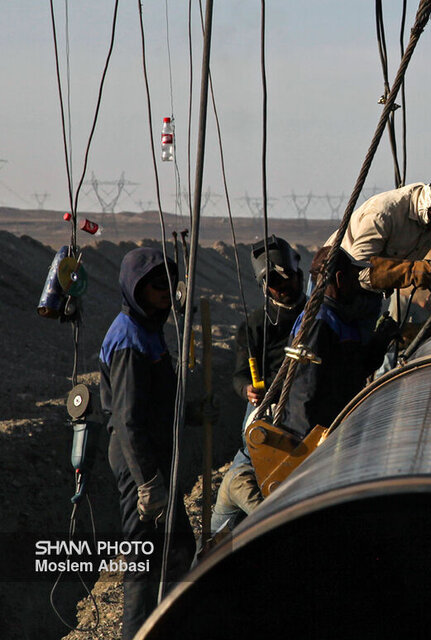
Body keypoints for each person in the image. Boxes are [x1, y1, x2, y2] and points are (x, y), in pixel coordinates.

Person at [99, 247, 194, 639]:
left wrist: (193, 410)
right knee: (144, 559)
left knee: (178, 549)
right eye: (157, 286)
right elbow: (128, 419)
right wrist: (147, 482)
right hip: (138, 460)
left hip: (155, 456)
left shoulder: (149, 329)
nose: (165, 293)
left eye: (168, 284)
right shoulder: (129, 339)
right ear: (136, 289)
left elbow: (158, 398)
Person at [213, 236, 305, 532]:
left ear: (298, 275)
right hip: (265, 412)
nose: (282, 287)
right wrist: (247, 389)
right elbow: (240, 375)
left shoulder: (315, 317)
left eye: (286, 278)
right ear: (264, 287)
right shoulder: (255, 326)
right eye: (274, 283)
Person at [327, 172, 431, 322]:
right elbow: (359, 271)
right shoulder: (383, 214)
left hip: (370, 296)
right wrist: (413, 272)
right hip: (332, 292)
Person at [282, 246, 399, 438]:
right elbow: (305, 392)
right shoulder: (318, 322)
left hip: (336, 426)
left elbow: (353, 371)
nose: (357, 284)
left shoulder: (340, 318)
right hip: (313, 434)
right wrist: (309, 442)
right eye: (354, 277)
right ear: (339, 279)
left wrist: (380, 341)